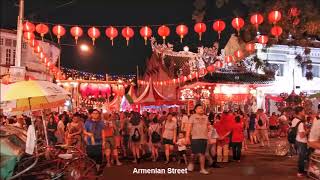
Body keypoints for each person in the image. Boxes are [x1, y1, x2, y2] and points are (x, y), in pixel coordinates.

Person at [186, 104, 210, 175]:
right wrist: (187, 137)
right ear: (195, 110)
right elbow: (189, 128)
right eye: (199, 108)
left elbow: (208, 127)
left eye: (202, 108)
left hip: (204, 138)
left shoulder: (206, 117)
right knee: (194, 153)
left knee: (202, 154)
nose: (201, 109)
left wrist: (209, 136)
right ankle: (191, 163)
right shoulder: (192, 117)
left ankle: (202, 169)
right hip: (195, 138)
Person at [84, 109, 104, 174]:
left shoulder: (101, 122)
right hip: (90, 142)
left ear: (99, 115)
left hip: (99, 142)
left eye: (97, 113)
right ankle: (91, 170)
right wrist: (88, 134)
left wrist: (104, 141)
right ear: (91, 114)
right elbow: (84, 131)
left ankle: (97, 170)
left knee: (98, 156)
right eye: (94, 113)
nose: (95, 114)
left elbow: (103, 132)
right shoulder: (87, 122)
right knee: (90, 157)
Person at [291, 106, 308, 177]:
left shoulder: (294, 120)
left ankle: (301, 170)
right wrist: (308, 131)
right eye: (303, 111)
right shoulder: (300, 123)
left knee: (301, 157)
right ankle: (300, 172)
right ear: (300, 112)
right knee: (302, 157)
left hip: (297, 140)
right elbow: (302, 135)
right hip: (301, 141)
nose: (304, 113)